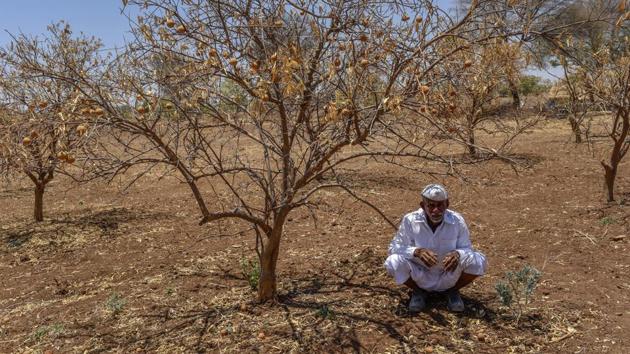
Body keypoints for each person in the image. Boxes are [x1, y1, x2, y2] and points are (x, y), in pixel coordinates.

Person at [383, 184, 487, 313]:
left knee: (478, 260)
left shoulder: (457, 220)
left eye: (440, 205)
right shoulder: (410, 220)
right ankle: (418, 292)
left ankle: (452, 291)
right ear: (422, 205)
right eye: (431, 205)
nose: (436, 210)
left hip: (448, 274)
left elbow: (467, 248)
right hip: (420, 274)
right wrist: (416, 251)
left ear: (447, 204)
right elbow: (393, 248)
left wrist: (458, 253)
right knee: (393, 261)